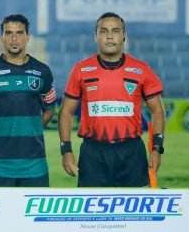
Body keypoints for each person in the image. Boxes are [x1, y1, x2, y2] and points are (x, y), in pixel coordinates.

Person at [58, 12, 165, 187]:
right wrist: (66, 150)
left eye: (115, 31)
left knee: (133, 205)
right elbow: (66, 112)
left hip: (131, 152)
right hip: (93, 153)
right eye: (103, 31)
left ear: (124, 36)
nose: (109, 36)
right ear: (95, 36)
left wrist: (157, 148)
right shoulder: (81, 70)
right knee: (92, 205)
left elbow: (158, 111)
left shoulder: (141, 69)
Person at [0, 14, 57, 187]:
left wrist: (31, 131)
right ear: (2, 37)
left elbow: (49, 109)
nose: (14, 38)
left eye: (19, 33)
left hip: (34, 166)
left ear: (28, 37)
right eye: (9, 33)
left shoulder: (42, 72)